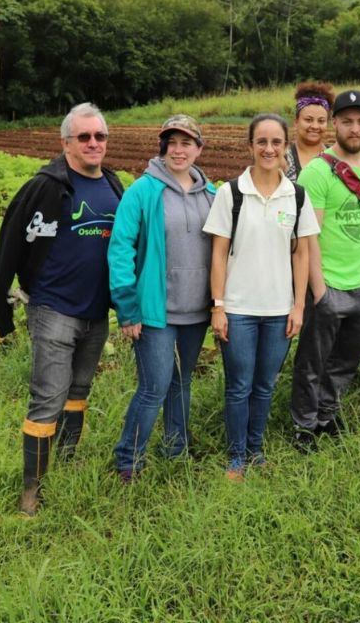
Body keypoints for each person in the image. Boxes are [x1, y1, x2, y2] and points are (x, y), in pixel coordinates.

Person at [0, 102, 124, 515]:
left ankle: (66, 461)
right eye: (83, 137)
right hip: (52, 309)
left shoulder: (116, 186)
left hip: (96, 312)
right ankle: (32, 489)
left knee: (79, 392)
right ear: (65, 142)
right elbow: (9, 241)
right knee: (48, 397)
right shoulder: (46, 186)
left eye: (99, 136)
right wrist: (1, 307)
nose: (92, 143)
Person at [204, 113, 318, 479]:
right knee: (239, 386)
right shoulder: (231, 193)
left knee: (265, 385)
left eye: (276, 142)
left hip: (279, 310)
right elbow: (219, 253)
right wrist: (218, 306)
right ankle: (236, 456)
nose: (269, 149)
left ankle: (256, 450)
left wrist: (298, 306)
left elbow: (301, 253)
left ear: (286, 146)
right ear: (250, 146)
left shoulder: (297, 195)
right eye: (262, 142)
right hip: (237, 309)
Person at [109, 114, 215, 480]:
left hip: (196, 310)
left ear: (199, 148)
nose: (178, 149)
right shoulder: (143, 191)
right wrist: (127, 308)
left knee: (181, 382)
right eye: (172, 142)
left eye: (186, 142)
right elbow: (120, 249)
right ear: (163, 147)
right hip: (155, 311)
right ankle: (128, 459)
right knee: (154, 385)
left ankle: (176, 449)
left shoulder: (212, 195)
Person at [289, 89, 360, 452]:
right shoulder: (317, 172)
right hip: (330, 284)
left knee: (346, 360)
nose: (354, 128)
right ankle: (303, 424)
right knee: (313, 361)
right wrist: (319, 291)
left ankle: (327, 414)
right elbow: (308, 237)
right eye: (347, 121)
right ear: (335, 124)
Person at [286, 82, 335, 181]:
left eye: (321, 121)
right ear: (296, 122)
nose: (315, 126)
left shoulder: (336, 158)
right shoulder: (284, 159)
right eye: (308, 120)